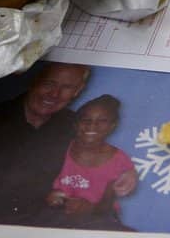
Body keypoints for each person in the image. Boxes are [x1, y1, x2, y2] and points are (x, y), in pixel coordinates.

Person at [0, 61, 91, 225]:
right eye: (49, 83)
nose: (54, 94)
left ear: (77, 91)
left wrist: (126, 172)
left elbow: (95, 164)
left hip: (38, 220)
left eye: (66, 87)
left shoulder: (76, 127)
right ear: (34, 80)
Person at [41, 94, 137, 229]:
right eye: (85, 119)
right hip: (58, 215)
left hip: (98, 216)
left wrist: (90, 208)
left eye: (102, 121)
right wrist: (53, 198)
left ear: (112, 126)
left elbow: (107, 205)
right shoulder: (61, 149)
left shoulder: (120, 160)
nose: (92, 125)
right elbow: (41, 186)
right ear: (76, 124)